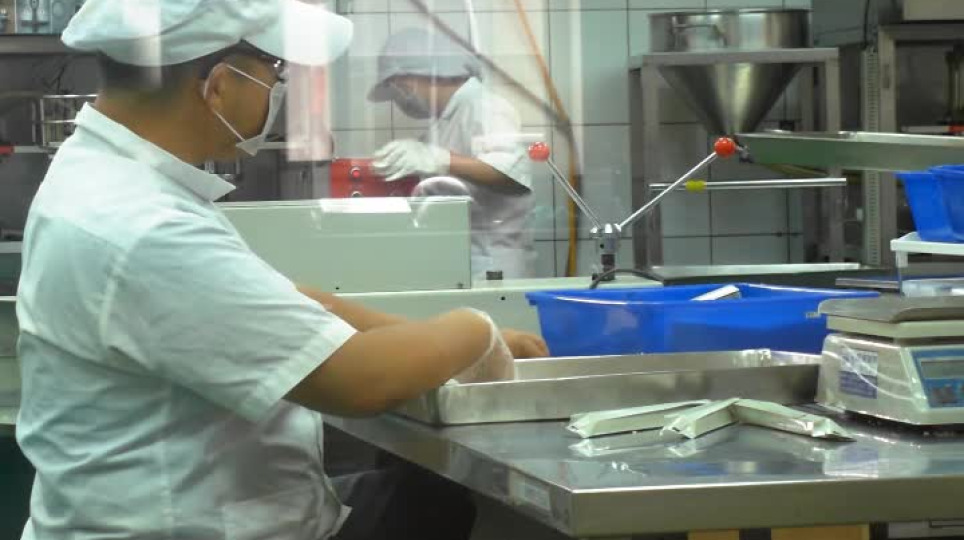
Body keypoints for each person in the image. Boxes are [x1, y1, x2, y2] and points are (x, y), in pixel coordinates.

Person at [14, 2, 548, 540]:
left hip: (198, 511)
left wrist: (439, 338)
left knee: (427, 498)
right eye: (275, 70)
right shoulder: (141, 223)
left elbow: (293, 302)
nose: (278, 88)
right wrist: (474, 331)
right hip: (179, 527)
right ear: (219, 85)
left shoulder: (110, 178)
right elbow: (358, 382)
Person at [369, 28, 537, 280]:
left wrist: (439, 159)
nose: (401, 96)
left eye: (399, 87)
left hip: (493, 263)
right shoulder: (446, 120)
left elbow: (509, 175)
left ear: (420, 76)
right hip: (467, 260)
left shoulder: (485, 106)